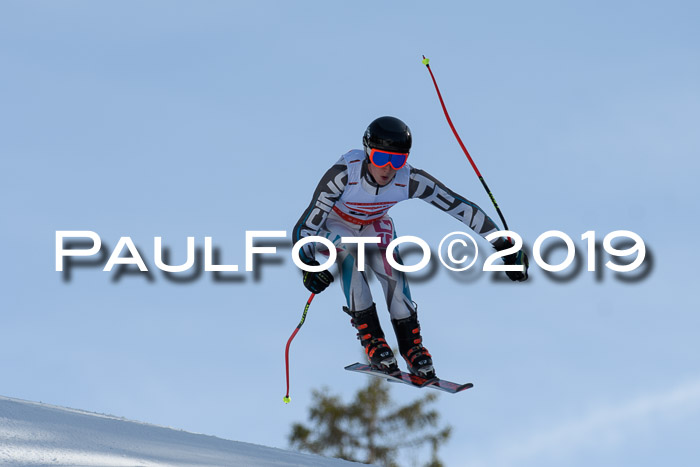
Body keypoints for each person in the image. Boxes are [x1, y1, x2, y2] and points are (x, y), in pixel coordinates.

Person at [292, 116, 528, 379]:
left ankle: (411, 345)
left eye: (398, 160)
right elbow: (305, 225)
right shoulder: (345, 174)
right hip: (336, 224)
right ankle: (373, 339)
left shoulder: (409, 179)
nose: (388, 169)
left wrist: (504, 245)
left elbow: (459, 206)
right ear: (368, 151)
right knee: (347, 253)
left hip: (373, 223)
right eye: (381, 158)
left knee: (388, 262)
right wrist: (308, 265)